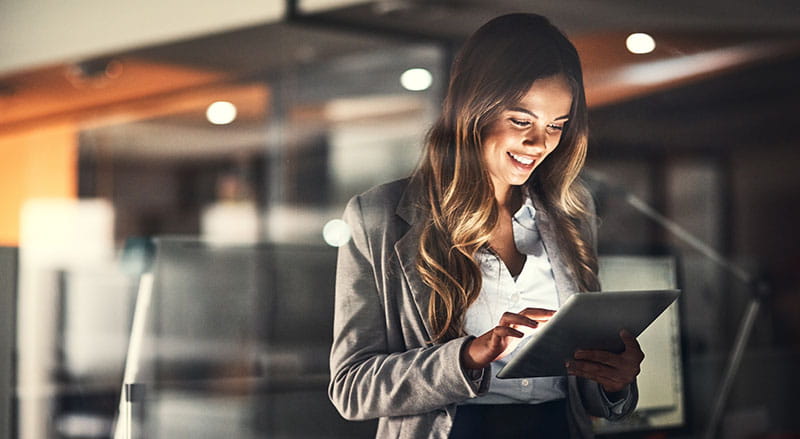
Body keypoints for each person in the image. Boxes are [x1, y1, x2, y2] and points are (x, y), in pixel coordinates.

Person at [328, 13, 644, 439]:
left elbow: (580, 389)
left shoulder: (572, 213)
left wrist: (613, 379)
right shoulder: (378, 215)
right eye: (521, 120)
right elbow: (352, 388)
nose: (540, 144)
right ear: (473, 110)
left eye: (556, 126)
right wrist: (468, 356)